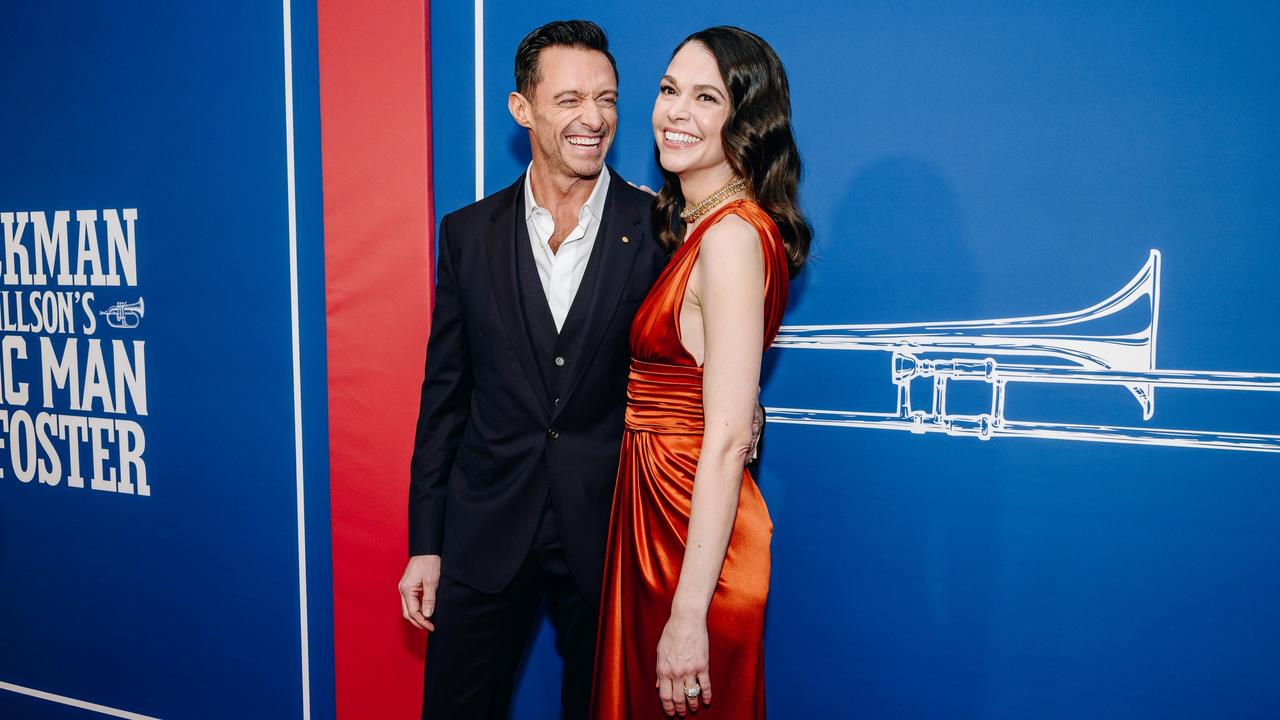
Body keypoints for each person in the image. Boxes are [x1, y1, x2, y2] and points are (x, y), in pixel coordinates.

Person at [397, 20, 667, 719]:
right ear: (523, 109)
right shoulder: (465, 234)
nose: (594, 119)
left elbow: (687, 383)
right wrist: (425, 543)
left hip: (608, 536)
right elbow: (445, 397)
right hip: (485, 530)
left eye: (606, 99)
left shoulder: (661, 228)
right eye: (570, 99)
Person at [591, 26, 810, 719]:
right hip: (659, 516)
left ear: (745, 122)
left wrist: (688, 616)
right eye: (667, 90)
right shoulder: (702, 226)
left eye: (706, 97)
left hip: (692, 542)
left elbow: (722, 440)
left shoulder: (733, 237)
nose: (675, 112)